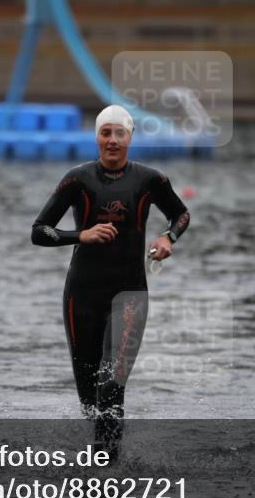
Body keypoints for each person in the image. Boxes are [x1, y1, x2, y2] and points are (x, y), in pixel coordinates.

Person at [31, 105, 190, 458]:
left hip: (129, 293)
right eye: (106, 133)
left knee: (111, 381)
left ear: (130, 138)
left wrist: (168, 239)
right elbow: (38, 232)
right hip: (81, 296)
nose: (113, 140)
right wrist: (80, 236)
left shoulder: (150, 180)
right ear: (97, 137)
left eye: (120, 133)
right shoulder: (78, 179)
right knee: (90, 395)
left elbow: (181, 213)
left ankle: (107, 467)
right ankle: (102, 464)